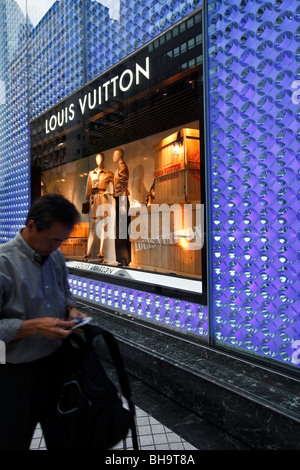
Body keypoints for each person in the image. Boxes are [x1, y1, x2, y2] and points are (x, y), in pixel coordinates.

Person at [0, 193, 88, 450]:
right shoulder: (3, 263)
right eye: (53, 240)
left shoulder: (56, 256)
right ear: (31, 226)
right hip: (14, 373)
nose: (57, 247)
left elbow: (64, 289)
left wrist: (71, 309)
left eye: (62, 241)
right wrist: (35, 326)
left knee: (66, 438)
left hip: (57, 366)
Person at [84, 153, 114, 262]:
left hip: (103, 199)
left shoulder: (109, 173)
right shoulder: (91, 173)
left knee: (102, 226)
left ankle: (101, 252)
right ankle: (87, 252)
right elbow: (88, 188)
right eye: (97, 158)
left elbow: (117, 187)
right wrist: (87, 200)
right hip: (93, 200)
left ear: (104, 159)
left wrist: (110, 193)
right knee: (91, 227)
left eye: (100, 158)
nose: (98, 160)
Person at [112, 148, 131, 266]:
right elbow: (119, 187)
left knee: (122, 231)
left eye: (115, 154)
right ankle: (120, 258)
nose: (113, 157)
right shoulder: (118, 169)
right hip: (119, 199)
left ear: (119, 155)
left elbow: (123, 186)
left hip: (122, 201)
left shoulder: (123, 168)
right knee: (119, 231)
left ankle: (125, 258)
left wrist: (123, 203)